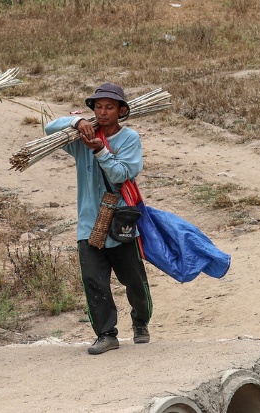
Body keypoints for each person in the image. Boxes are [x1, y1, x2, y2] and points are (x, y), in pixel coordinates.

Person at [44, 83, 153, 355]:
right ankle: (106, 334)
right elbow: (49, 129)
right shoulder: (80, 137)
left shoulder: (129, 139)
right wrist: (77, 120)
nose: (103, 112)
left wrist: (101, 151)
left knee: (134, 281)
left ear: (121, 111)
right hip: (89, 223)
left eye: (110, 107)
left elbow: (120, 174)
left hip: (121, 222)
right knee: (94, 281)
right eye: (98, 107)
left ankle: (140, 322)